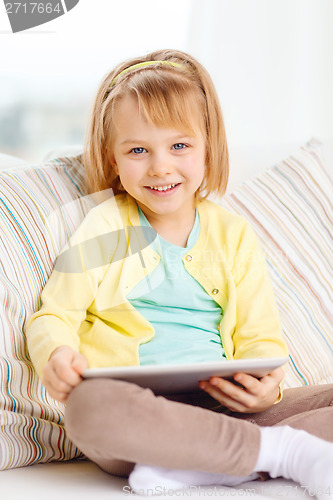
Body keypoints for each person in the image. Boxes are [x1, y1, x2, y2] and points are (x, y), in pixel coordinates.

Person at [26, 49, 333, 497]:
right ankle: (280, 454)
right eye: (137, 150)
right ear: (113, 160)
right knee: (89, 408)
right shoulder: (105, 226)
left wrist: (267, 392)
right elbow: (53, 316)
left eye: (180, 146)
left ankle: (200, 464)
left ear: (208, 148)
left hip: (226, 409)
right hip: (138, 412)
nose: (160, 166)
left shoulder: (233, 234)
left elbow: (260, 338)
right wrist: (55, 354)